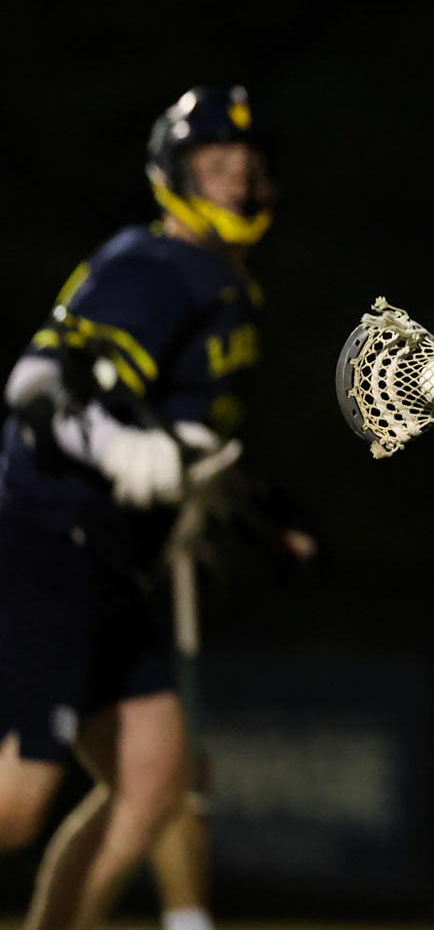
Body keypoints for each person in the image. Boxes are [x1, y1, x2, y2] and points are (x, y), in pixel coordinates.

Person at [0, 86, 274, 930]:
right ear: (174, 173)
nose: (233, 181)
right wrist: (118, 450)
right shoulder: (157, 268)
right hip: (50, 541)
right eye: (213, 165)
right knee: (14, 806)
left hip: (109, 559)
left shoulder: (227, 288)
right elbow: (33, 382)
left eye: (244, 165)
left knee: (157, 777)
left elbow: (187, 440)